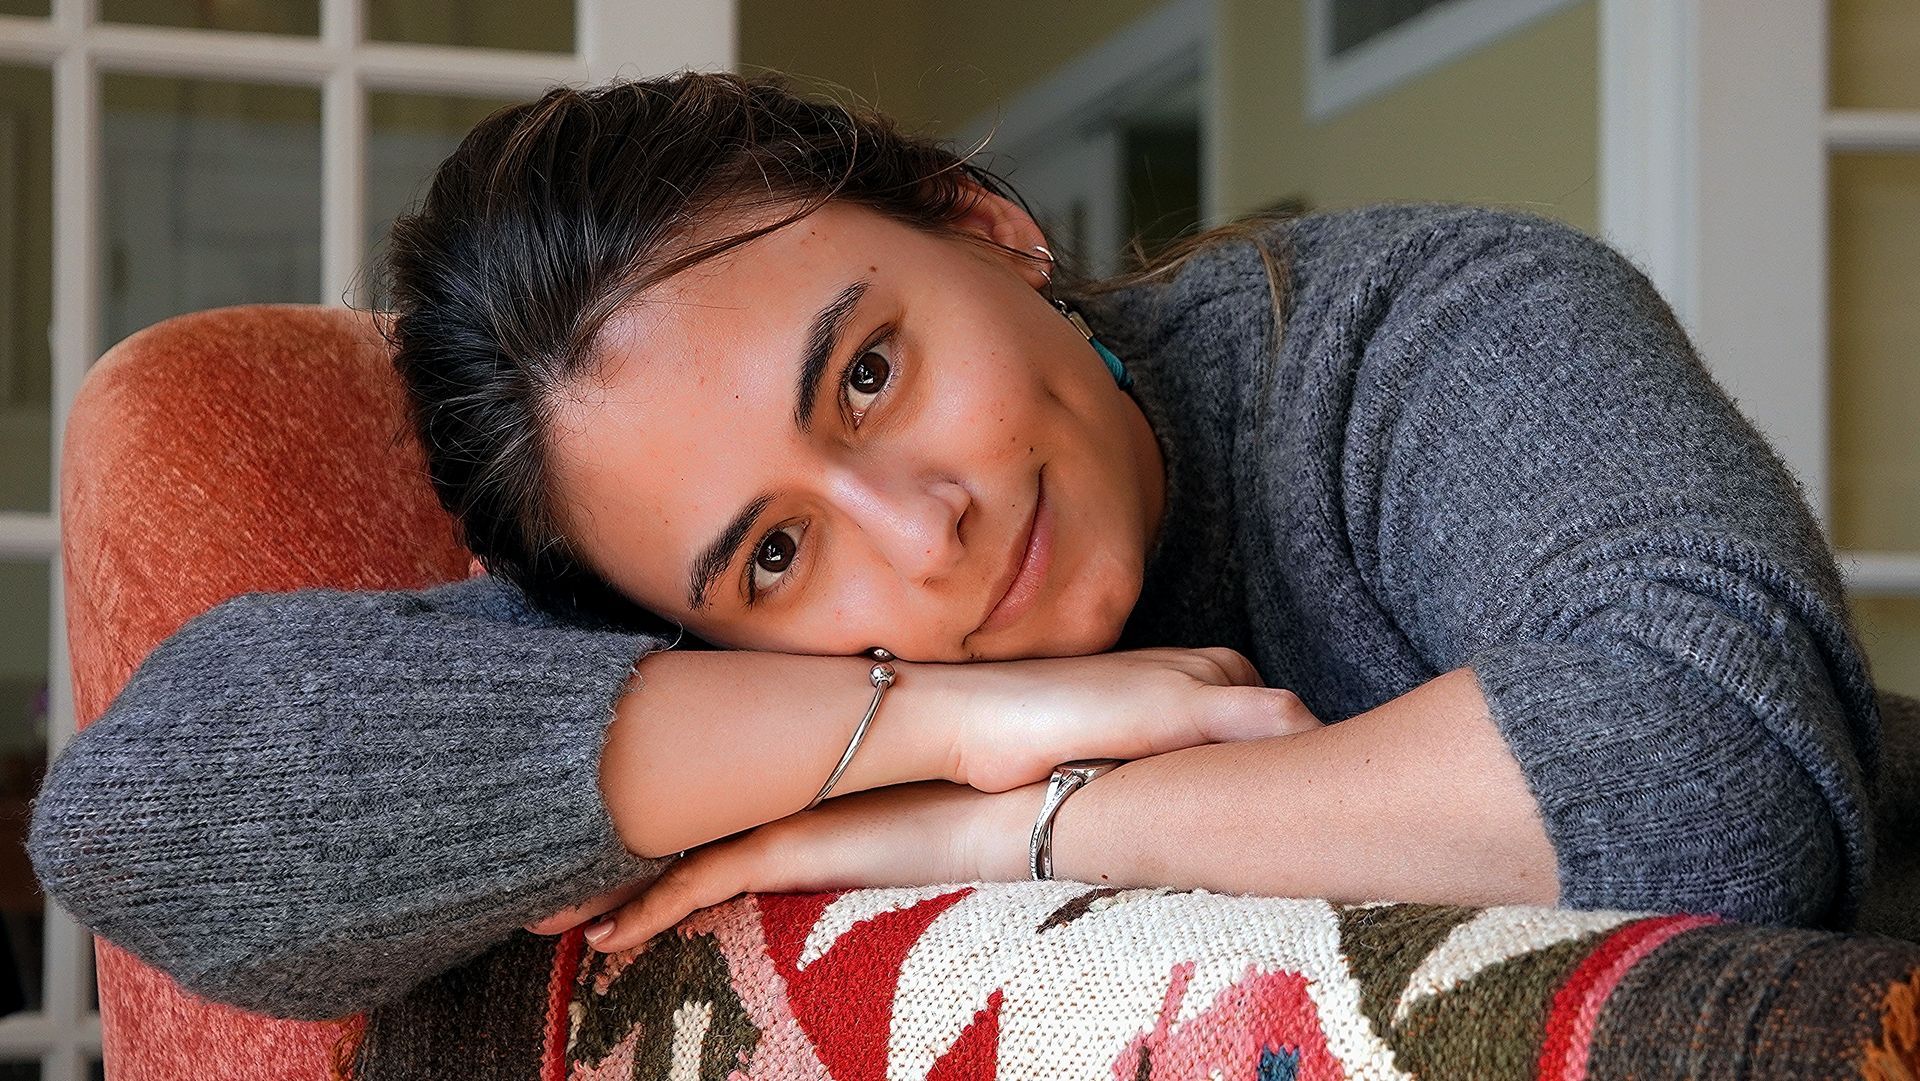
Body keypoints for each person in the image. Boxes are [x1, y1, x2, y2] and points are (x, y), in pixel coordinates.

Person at [26, 71, 1884, 1024]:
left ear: (987, 226)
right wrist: (934, 723)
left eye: (870, 371)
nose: (922, 534)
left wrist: (1014, 821)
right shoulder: (782, 677)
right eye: (773, 556)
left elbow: (1712, 791)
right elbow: (145, 818)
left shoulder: (1423, 331)